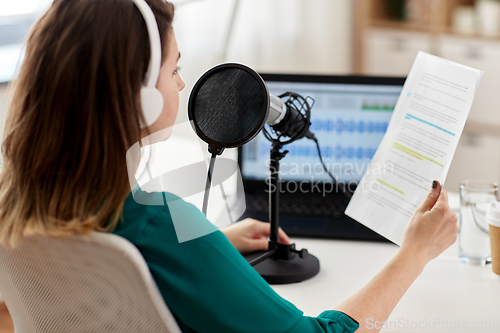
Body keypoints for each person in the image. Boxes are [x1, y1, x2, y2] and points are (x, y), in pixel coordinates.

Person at [0, 0, 459, 332]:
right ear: (139, 95)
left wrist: (211, 244)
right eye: (173, 69)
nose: (181, 85)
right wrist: (414, 252)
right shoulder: (163, 224)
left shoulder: (15, 202)